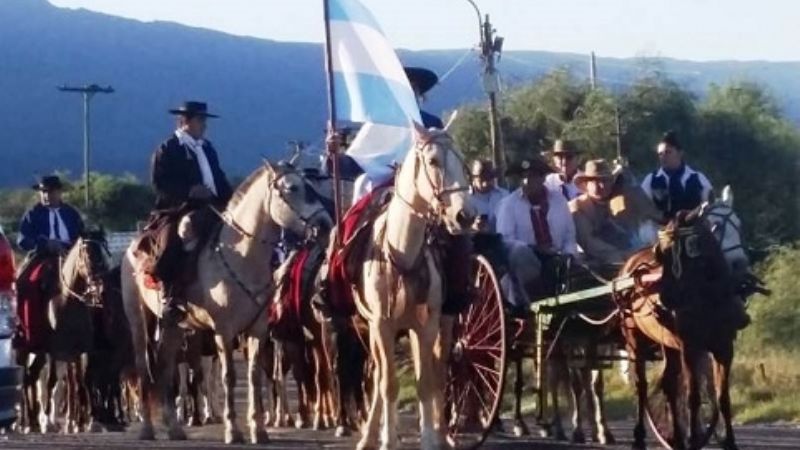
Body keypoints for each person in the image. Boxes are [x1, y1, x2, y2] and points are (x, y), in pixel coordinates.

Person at [149, 100, 233, 325]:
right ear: (184, 121)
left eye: (204, 120)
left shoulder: (207, 148)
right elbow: (160, 183)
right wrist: (189, 192)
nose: (204, 125)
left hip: (214, 206)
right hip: (179, 207)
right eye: (200, 120)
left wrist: (233, 200)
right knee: (177, 236)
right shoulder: (168, 148)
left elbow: (219, 178)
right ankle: (172, 294)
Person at [496, 158, 578, 313]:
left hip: (557, 257)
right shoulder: (508, 205)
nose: (526, 181)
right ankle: (534, 304)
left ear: (543, 178)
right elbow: (506, 241)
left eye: (532, 176)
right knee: (520, 252)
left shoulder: (559, 200)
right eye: (522, 177)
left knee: (581, 271)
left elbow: (569, 235)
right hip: (525, 261)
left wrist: (568, 255)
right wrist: (536, 250)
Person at [15, 175, 84, 352]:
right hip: (42, 257)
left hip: (71, 258)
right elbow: (22, 239)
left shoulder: (71, 213)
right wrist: (44, 243)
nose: (46, 195)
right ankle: (25, 331)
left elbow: (81, 236)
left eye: (50, 192)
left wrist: (72, 247)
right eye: (43, 192)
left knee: (96, 281)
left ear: (59, 193)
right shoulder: (33, 214)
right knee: (26, 284)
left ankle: (99, 331)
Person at [569, 159, 639, 267]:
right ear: (586, 184)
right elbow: (589, 243)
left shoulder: (615, 203)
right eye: (596, 182)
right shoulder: (577, 207)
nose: (602, 186)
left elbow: (629, 231)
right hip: (590, 262)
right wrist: (622, 254)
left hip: (622, 253)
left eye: (606, 181)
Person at [641, 130, 713, 220]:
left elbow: (709, 206)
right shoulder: (651, 180)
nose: (663, 157)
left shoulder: (698, 178)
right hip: (661, 230)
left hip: (693, 230)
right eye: (660, 154)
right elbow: (642, 208)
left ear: (680, 153)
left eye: (668, 152)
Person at [469, 159, 508, 232]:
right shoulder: (466, 198)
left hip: (501, 240)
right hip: (475, 241)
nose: (486, 183)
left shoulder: (505, 196)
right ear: (474, 179)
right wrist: (472, 226)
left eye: (489, 178)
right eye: (482, 179)